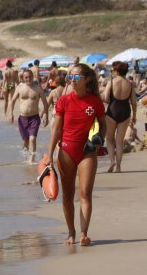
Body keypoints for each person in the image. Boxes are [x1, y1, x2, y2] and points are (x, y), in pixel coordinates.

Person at [44, 63, 106, 246]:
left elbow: (103, 125)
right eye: (70, 77)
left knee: (85, 193)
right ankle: (71, 233)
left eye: (77, 77)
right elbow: (56, 129)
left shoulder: (95, 101)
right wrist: (49, 155)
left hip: (87, 152)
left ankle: (84, 233)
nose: (72, 80)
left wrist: (98, 138)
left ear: (86, 79)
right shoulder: (64, 100)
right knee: (68, 195)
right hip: (66, 151)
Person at [103, 61, 137, 173]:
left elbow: (106, 99)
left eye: (113, 70)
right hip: (125, 112)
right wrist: (135, 116)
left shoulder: (111, 82)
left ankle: (112, 160)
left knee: (109, 138)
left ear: (116, 71)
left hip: (112, 111)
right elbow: (133, 102)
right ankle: (118, 167)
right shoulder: (130, 84)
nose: (112, 71)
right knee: (119, 141)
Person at [9, 69, 48, 164]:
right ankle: (25, 157)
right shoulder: (19, 88)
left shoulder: (38, 88)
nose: (28, 79)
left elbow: (45, 103)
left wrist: (45, 115)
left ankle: (32, 160)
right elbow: (12, 101)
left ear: (33, 76)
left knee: (32, 139)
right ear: (23, 78)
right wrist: (11, 113)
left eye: (30, 76)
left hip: (34, 118)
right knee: (25, 140)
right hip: (23, 119)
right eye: (26, 77)